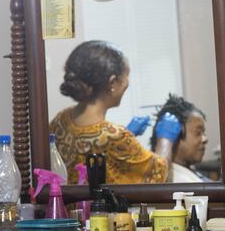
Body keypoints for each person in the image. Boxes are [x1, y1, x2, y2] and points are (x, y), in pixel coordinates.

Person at [49, 40, 181, 184]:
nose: (127, 83)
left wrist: (127, 135)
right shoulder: (114, 135)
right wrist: (166, 139)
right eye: (126, 76)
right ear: (113, 83)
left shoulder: (61, 120)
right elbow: (158, 174)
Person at [150, 94, 211, 183]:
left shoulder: (187, 171)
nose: (205, 139)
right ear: (176, 136)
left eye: (204, 133)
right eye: (198, 133)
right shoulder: (181, 183)